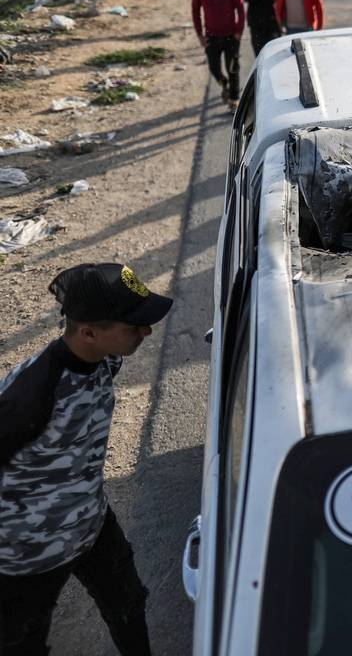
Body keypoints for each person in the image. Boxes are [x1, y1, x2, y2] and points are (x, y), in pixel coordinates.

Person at [0, 263, 173, 656]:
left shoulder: (105, 358)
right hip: (29, 554)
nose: (146, 332)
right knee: (21, 643)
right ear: (89, 333)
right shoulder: (29, 396)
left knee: (128, 606)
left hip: (91, 524)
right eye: (133, 326)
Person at [192, 0, 245, 105]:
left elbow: (240, 9)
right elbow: (195, 12)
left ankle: (234, 99)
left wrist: (238, 32)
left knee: (233, 68)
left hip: (231, 35)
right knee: (214, 68)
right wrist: (200, 35)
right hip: (211, 36)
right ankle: (224, 84)